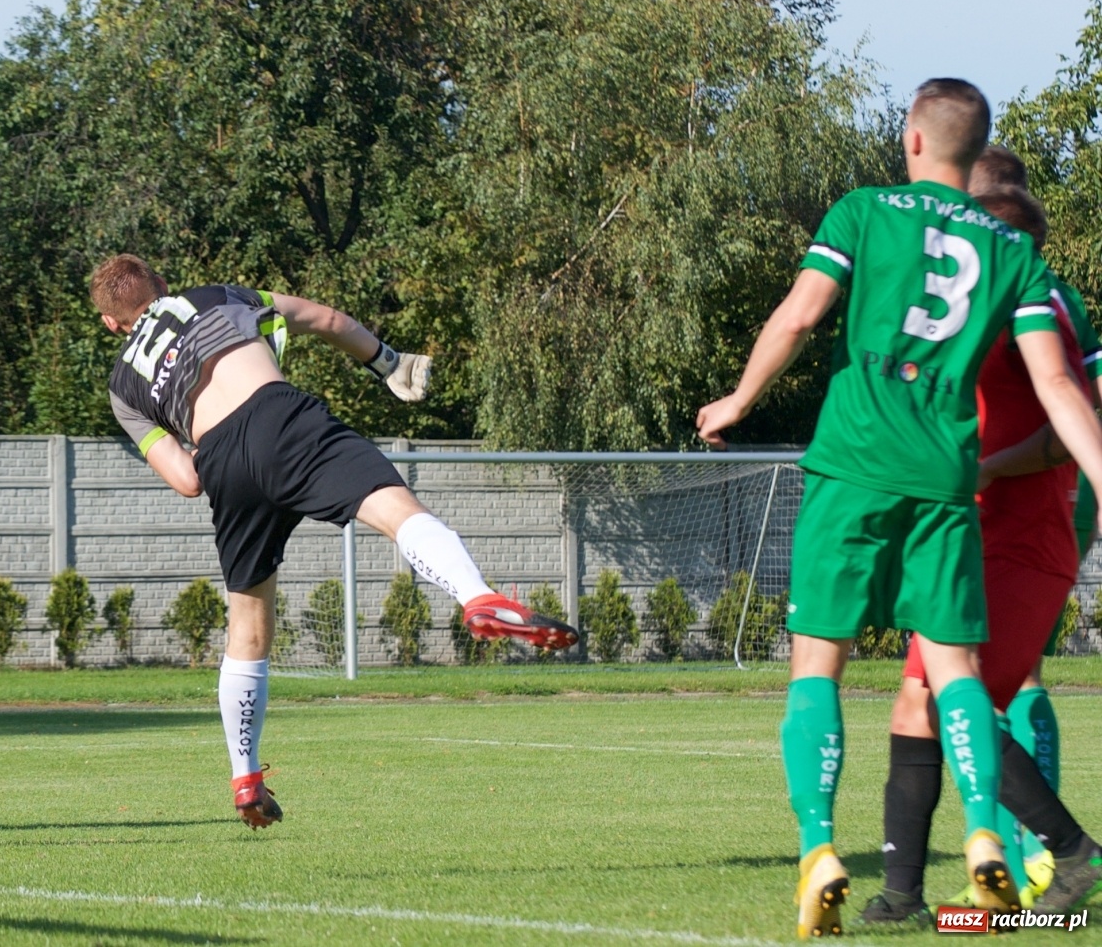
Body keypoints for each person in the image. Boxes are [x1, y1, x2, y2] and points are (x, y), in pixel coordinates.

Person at [695, 79, 1102, 938]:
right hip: (948, 480)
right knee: (952, 672)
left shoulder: (865, 210)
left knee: (820, 662)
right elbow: (1059, 383)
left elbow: (801, 316)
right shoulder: (1016, 255)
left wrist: (738, 398)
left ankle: (820, 847)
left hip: (856, 462)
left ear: (914, 139)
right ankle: (986, 834)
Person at [91, 257, 577, 828]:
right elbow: (323, 318)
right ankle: (477, 596)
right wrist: (387, 363)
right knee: (397, 510)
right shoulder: (214, 295)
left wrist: (214, 440)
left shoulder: (123, 385)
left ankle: (245, 778)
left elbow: (186, 481)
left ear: (111, 324)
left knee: (247, 626)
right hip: (280, 417)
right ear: (162, 286)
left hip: (219, 460)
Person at [862, 167, 1102, 925]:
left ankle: (1067, 854)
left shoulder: (1039, 307)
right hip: (967, 534)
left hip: (1024, 540)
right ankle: (901, 897)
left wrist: (986, 468)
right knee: (914, 703)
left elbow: (1067, 426)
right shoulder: (981, 308)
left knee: (949, 701)